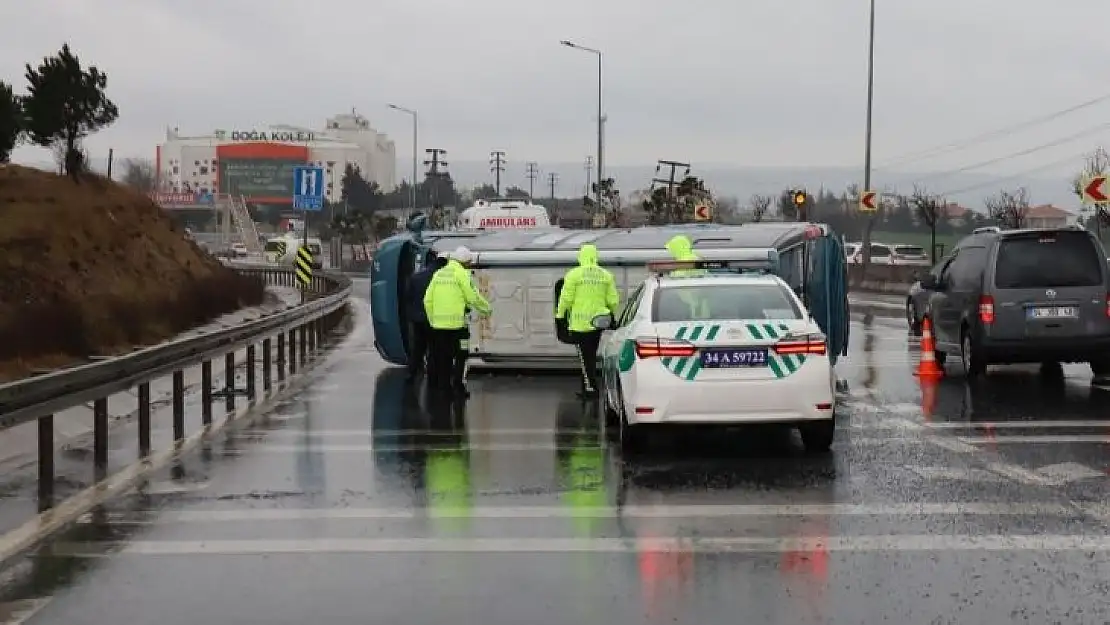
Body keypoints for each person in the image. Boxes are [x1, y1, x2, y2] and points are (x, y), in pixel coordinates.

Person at [423, 246, 491, 396]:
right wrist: (486, 308)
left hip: (439, 327)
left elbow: (427, 300)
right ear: (465, 262)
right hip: (458, 327)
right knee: (461, 355)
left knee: (443, 357)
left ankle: (444, 389)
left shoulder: (439, 274)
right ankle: (458, 387)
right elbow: (472, 297)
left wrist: (432, 320)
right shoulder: (462, 274)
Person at [555, 243, 620, 398]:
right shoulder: (606, 275)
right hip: (597, 323)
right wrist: (611, 315)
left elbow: (566, 298)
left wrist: (560, 315)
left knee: (585, 359)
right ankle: (590, 386)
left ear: (581, 256)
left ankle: (590, 389)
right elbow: (613, 300)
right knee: (590, 355)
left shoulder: (574, 275)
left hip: (579, 324)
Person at [405, 251, 447, 384]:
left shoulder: (416, 277)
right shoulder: (440, 278)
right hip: (434, 319)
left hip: (417, 319)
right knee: (434, 348)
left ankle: (411, 373)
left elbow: (408, 297)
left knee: (418, 348)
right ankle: (433, 377)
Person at [663, 234, 709, 318]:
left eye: (672, 249)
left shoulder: (683, 263)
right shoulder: (697, 258)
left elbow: (677, 284)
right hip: (703, 307)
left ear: (677, 248)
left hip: (689, 308)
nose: (671, 252)